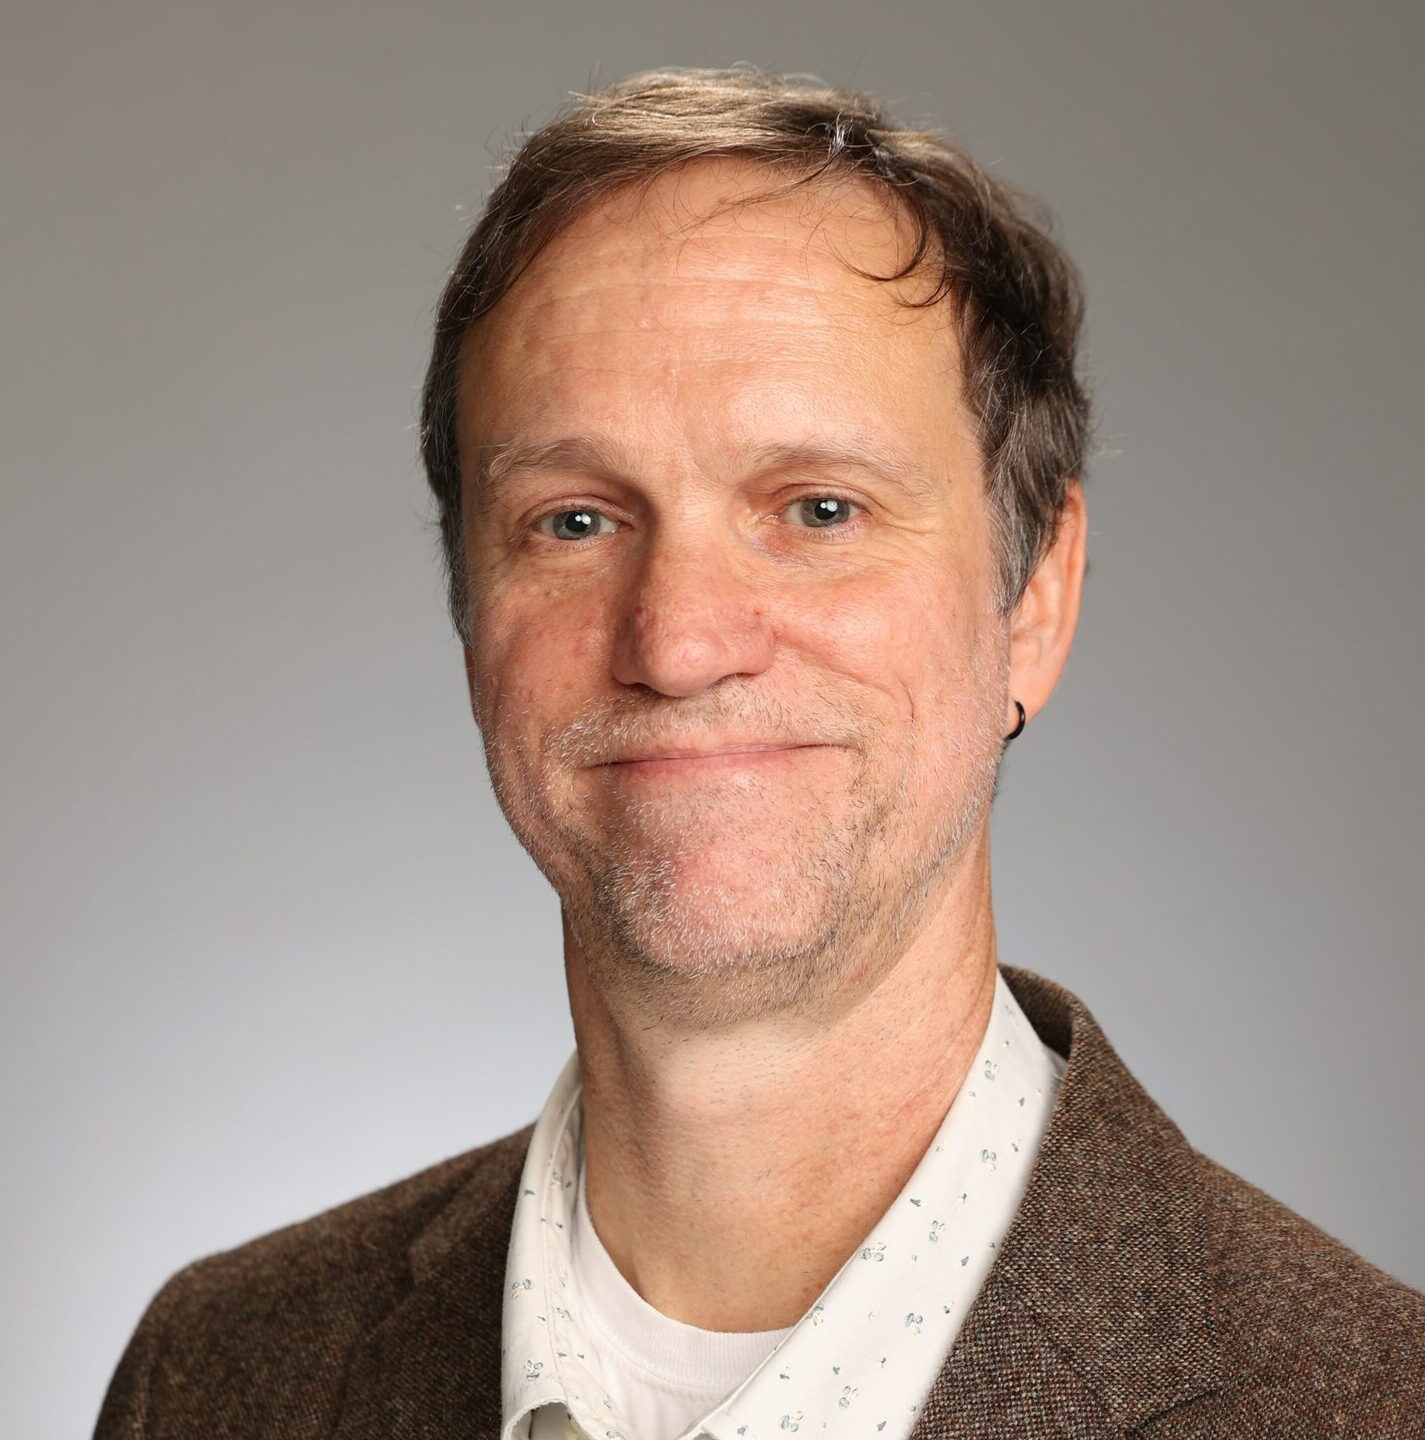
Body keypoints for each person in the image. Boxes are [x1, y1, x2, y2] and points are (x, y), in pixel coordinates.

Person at [94, 67, 1424, 1440]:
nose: (677, 642)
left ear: (1034, 594)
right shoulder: (218, 1373)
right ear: (467, 603)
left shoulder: (1370, 1405)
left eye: (819, 508)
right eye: (572, 521)